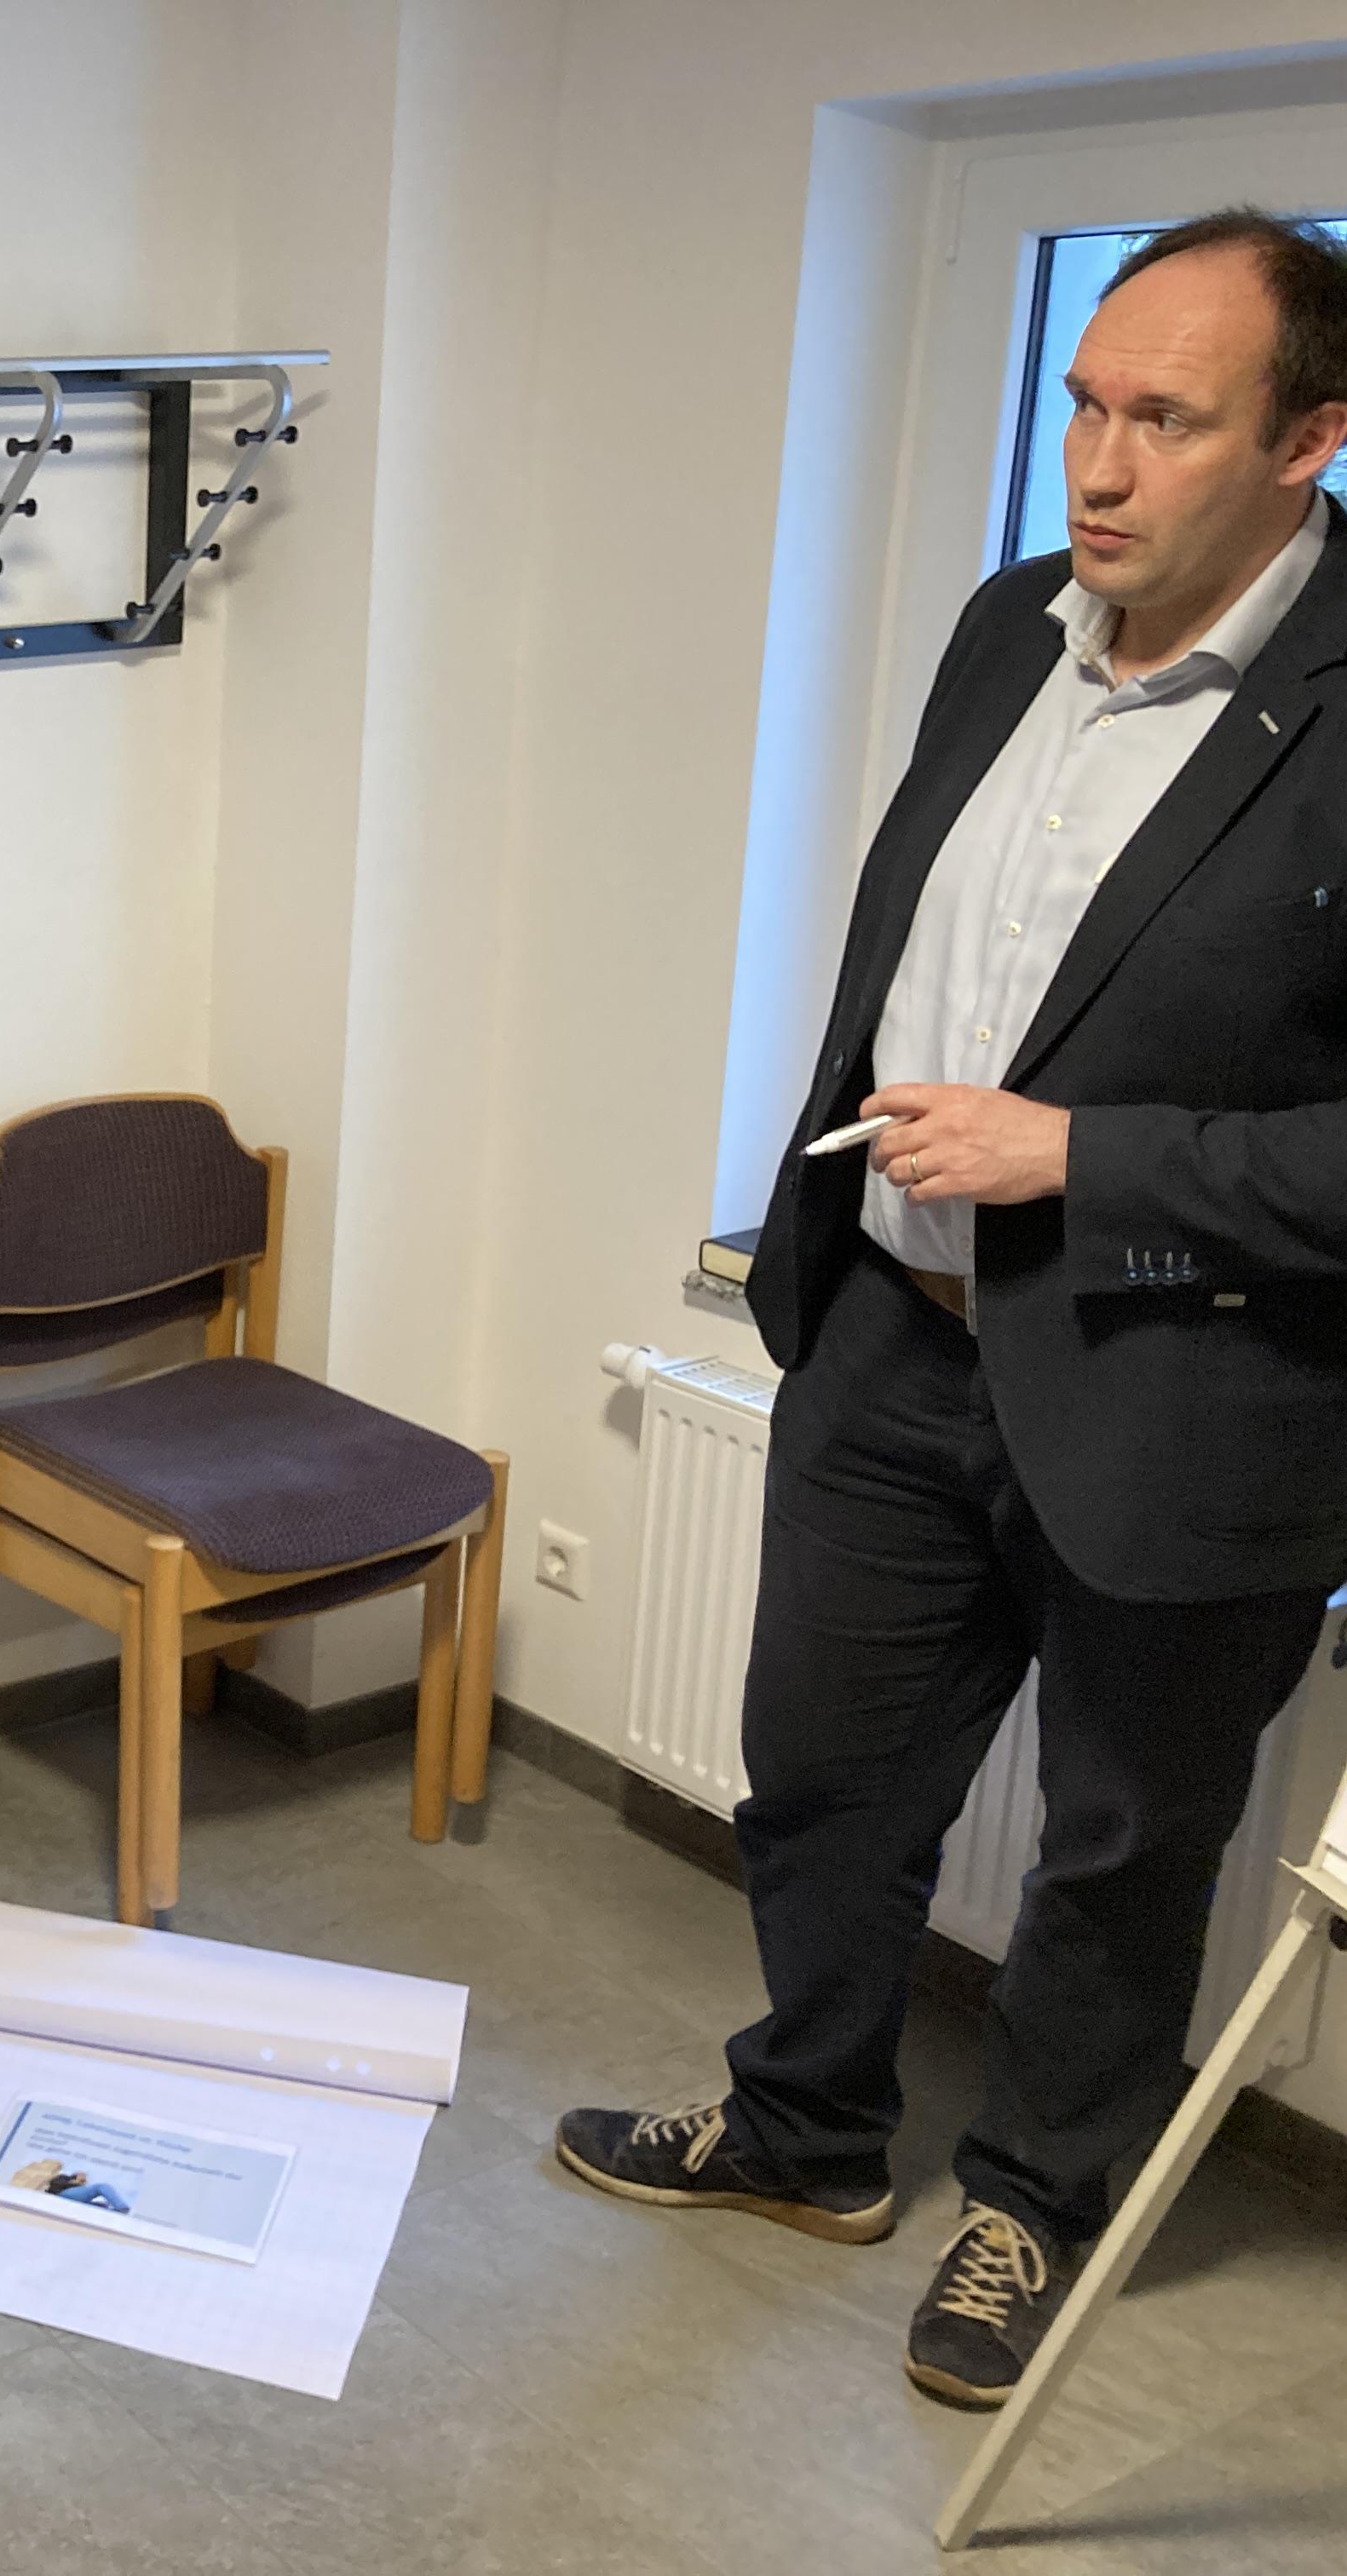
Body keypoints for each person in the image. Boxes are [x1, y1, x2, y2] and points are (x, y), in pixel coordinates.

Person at [557, 210, 1347, 2410]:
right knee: (820, 1773)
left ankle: (1034, 2209)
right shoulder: (1015, 621)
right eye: (1084, 402)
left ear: (1311, 441)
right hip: (899, 1341)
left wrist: (1079, 1154)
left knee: (1119, 1852)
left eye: (1165, 420)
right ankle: (806, 2129)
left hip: (1193, 1398)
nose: (1095, 463)